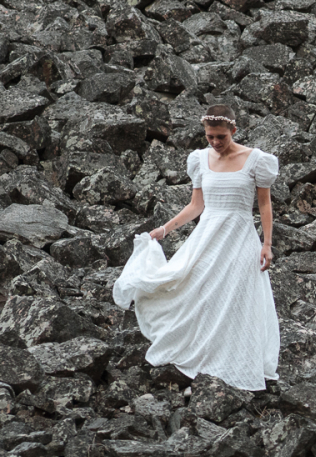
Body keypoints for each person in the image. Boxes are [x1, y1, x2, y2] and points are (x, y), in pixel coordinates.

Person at [113, 104, 281, 392]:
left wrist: (266, 244)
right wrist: (165, 229)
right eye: (209, 136)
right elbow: (196, 206)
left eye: (221, 137)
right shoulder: (200, 159)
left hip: (240, 238)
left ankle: (237, 362)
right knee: (197, 289)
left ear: (234, 131)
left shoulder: (256, 160)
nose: (215, 142)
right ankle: (201, 355)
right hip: (208, 237)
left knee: (238, 298)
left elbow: (264, 205)